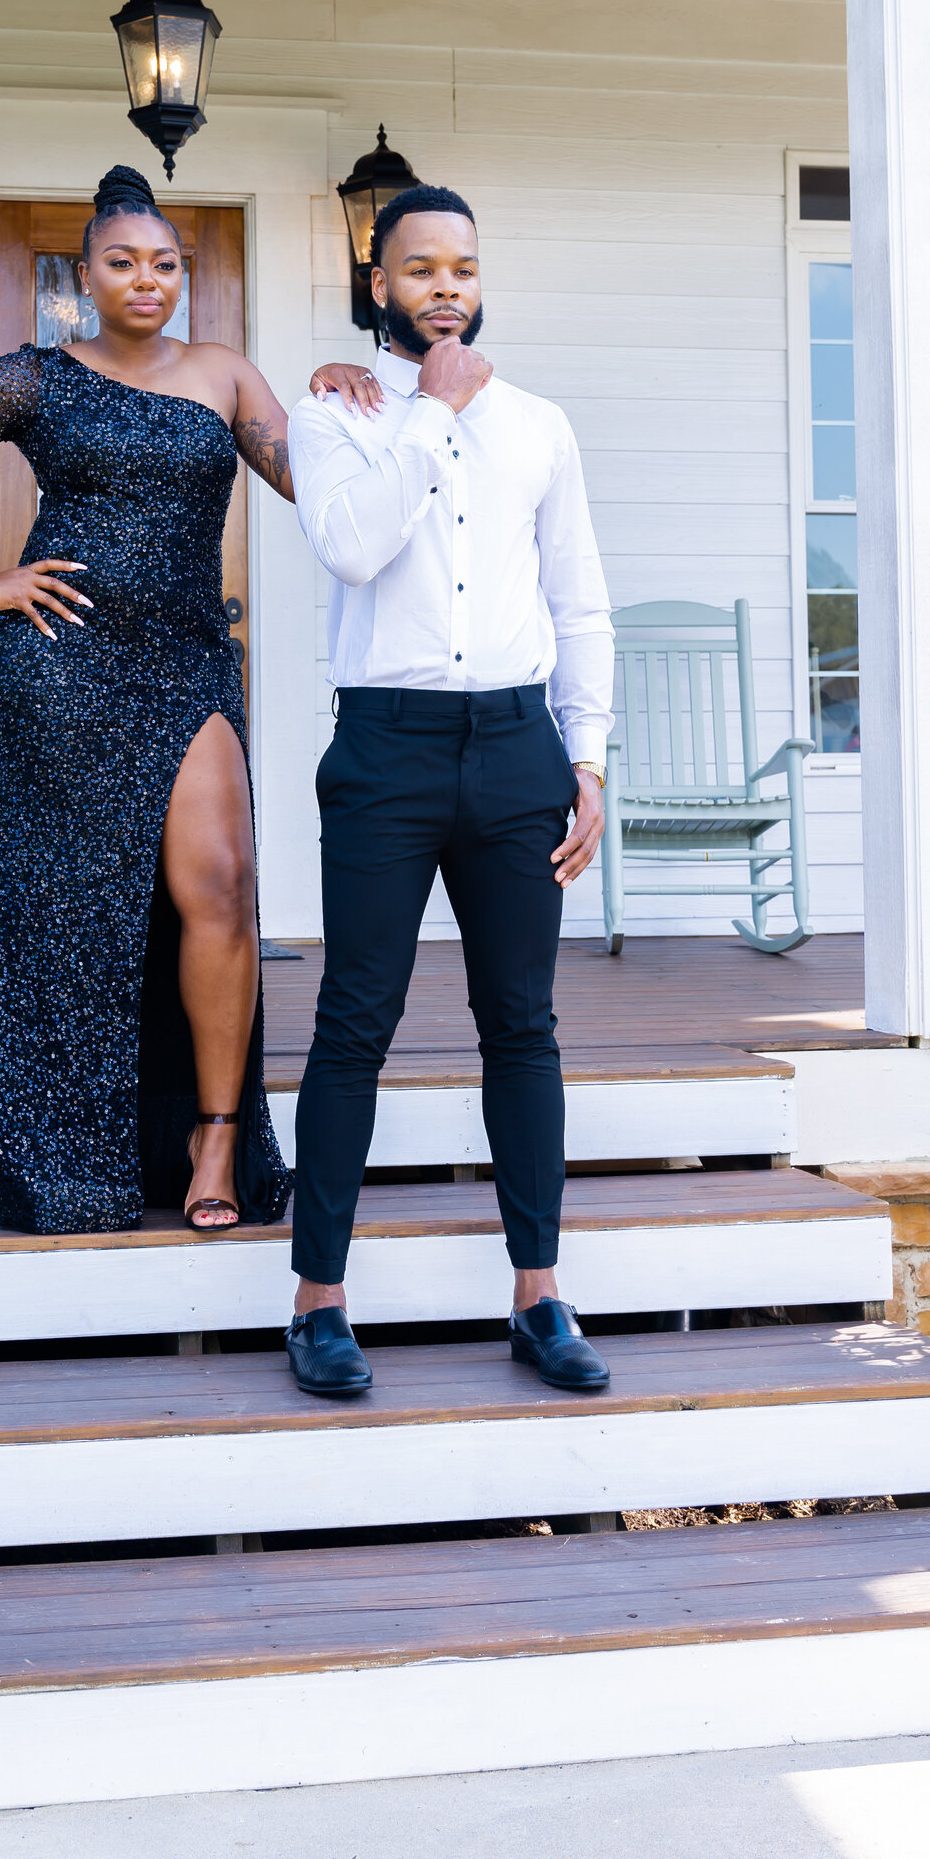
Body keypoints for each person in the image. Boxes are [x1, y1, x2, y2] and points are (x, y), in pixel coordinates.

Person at [0, 164, 380, 1236]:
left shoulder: (226, 374)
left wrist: (342, 390)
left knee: (222, 883)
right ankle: (65, 1151)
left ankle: (216, 1134)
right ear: (84, 277)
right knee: (68, 912)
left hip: (188, 663)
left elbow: (316, 487)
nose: (147, 280)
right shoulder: (35, 380)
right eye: (122, 263)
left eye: (165, 264)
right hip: (57, 667)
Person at [283, 182, 615, 1395]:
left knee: (521, 1028)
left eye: (461, 269)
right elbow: (354, 548)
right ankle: (319, 1302)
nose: (444, 288)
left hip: (519, 751)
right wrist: (426, 413)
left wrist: (585, 758)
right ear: (379, 284)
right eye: (419, 269)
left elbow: (579, 600)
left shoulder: (540, 425)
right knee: (353, 1023)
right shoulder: (337, 418)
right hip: (386, 752)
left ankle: (538, 1297)